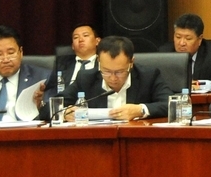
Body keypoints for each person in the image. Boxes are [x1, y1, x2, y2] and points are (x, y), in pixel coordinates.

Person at [38, 35, 172, 121]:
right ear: (98, 61)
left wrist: (140, 110)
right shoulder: (86, 78)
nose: (113, 78)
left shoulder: (148, 76)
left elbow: (171, 104)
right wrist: (65, 113)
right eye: (106, 71)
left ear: (131, 62)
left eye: (119, 72)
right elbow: (47, 109)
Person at [158, 13, 211, 88]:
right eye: (178, 37)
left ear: (199, 39)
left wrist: (204, 84)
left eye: (188, 38)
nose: (181, 43)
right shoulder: (164, 53)